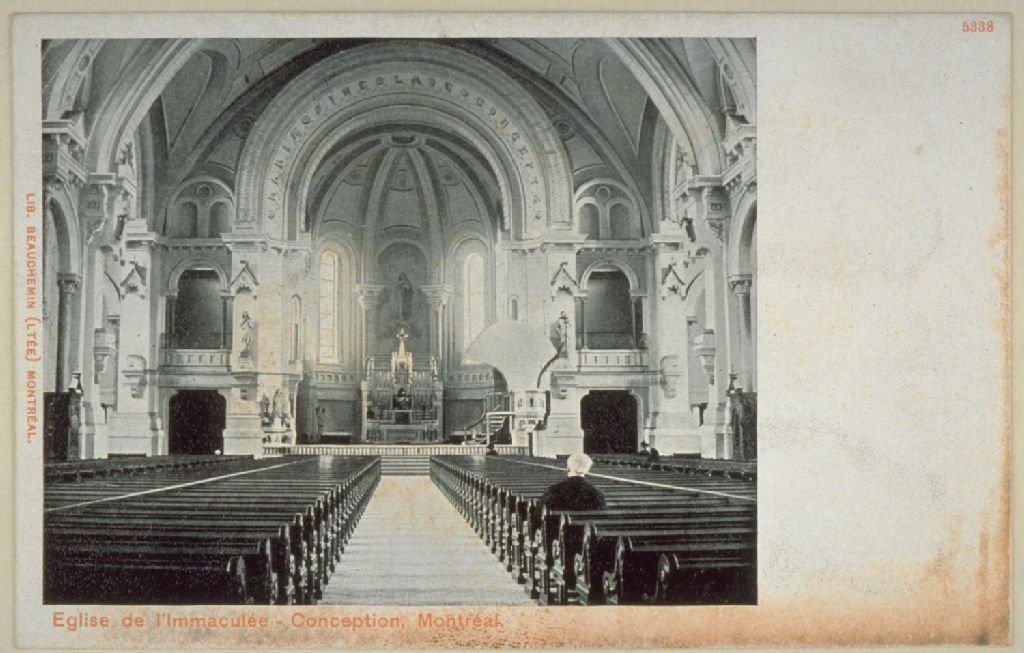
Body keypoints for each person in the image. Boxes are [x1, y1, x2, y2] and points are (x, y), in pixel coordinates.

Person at [539, 453, 606, 511]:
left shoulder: (553, 490)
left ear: (568, 467)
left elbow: (539, 514)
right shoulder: (597, 494)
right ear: (587, 470)